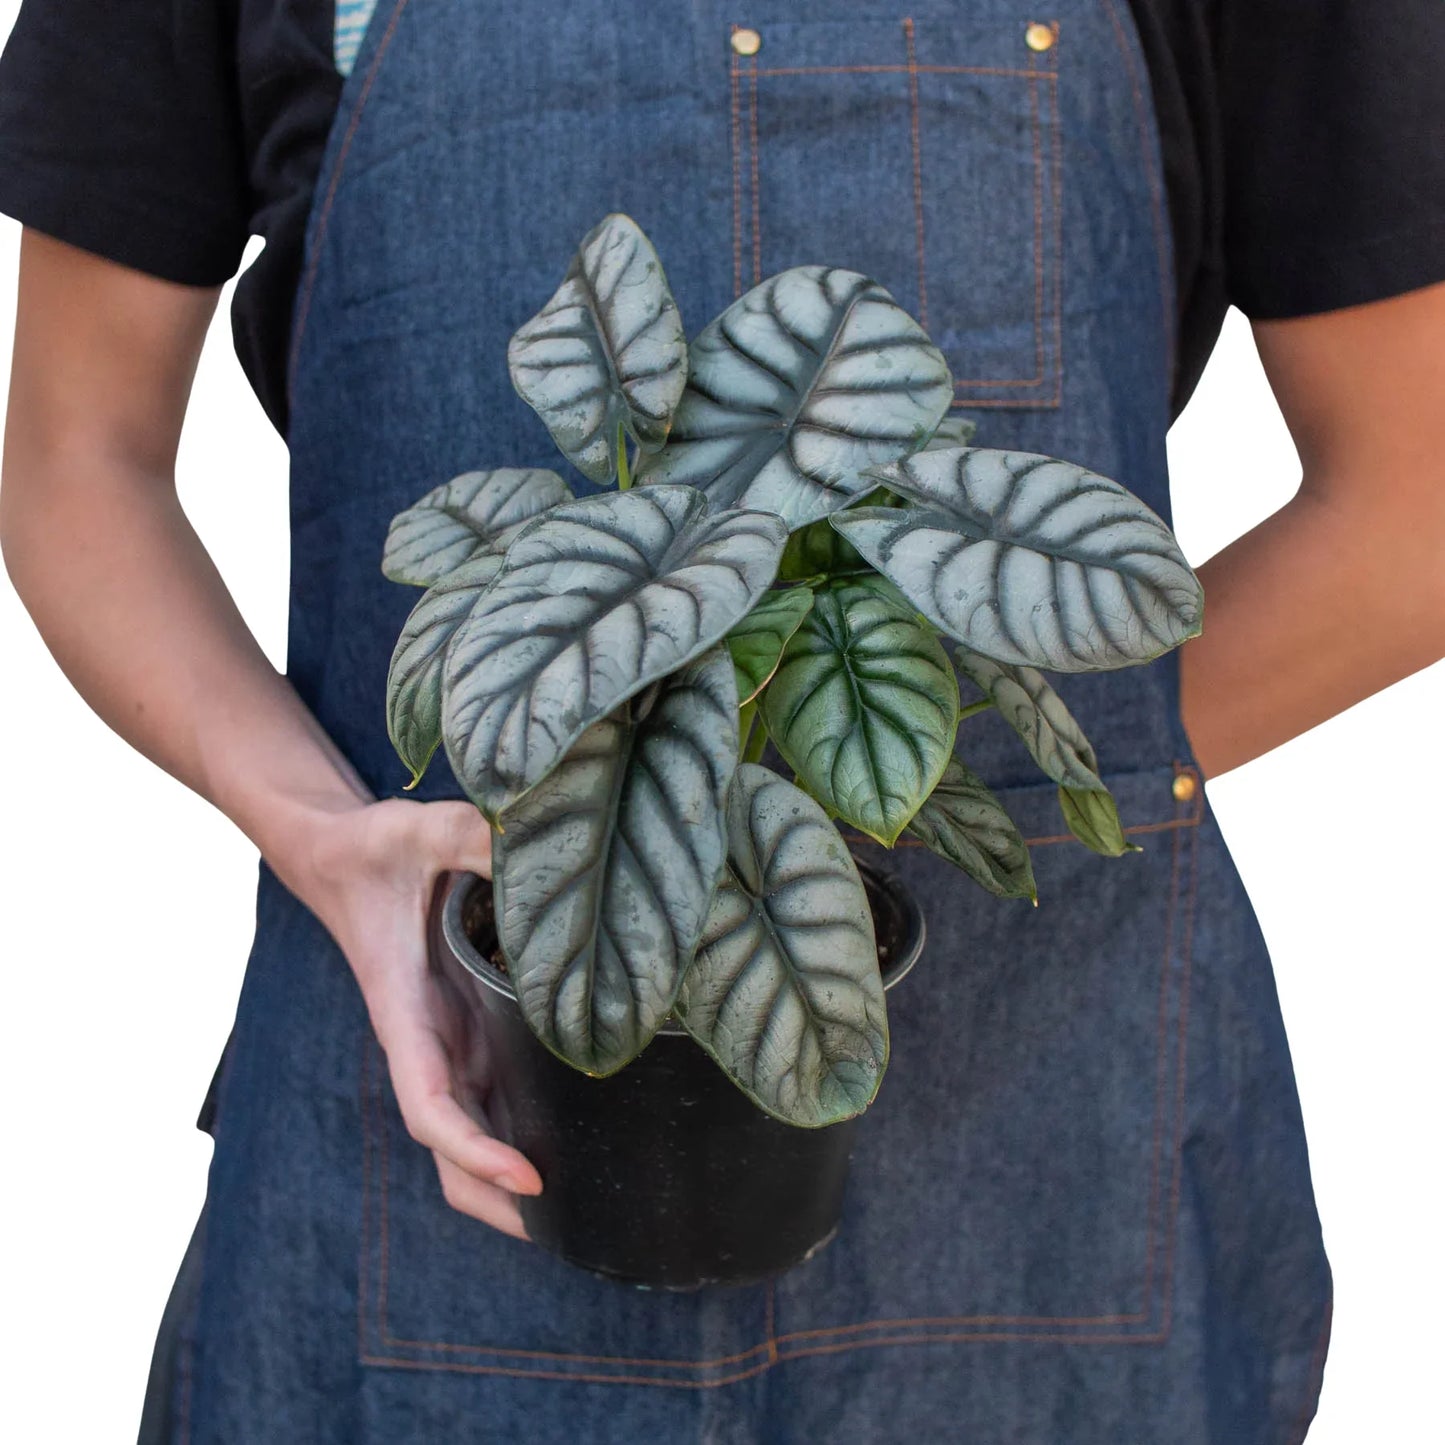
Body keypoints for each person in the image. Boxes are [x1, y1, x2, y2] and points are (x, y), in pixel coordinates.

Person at [2, 1, 1443, 1440]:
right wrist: (321, 831)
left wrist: (971, 770)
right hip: (435, 1063)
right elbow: (79, 453)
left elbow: (1411, 509)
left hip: (1042, 1105)